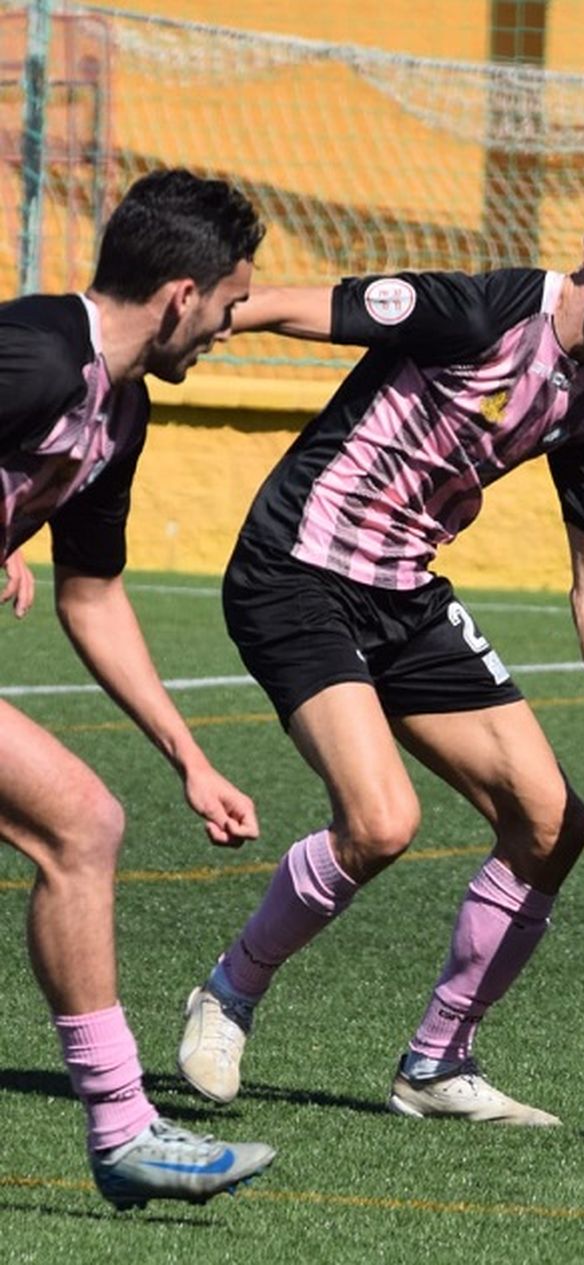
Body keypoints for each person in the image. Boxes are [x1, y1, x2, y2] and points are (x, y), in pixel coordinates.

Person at [176, 183, 584, 1126]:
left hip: (403, 593)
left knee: (552, 823)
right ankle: (228, 992)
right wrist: (180, 326)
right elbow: (323, 306)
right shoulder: (486, 311)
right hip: (295, 571)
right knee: (382, 822)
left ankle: (436, 1062)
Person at [0, 169, 277, 1209]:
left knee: (82, 824)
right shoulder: (30, 354)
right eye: (230, 303)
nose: (229, 325)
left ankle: (124, 1130)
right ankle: (123, 1128)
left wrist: (189, 754)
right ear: (179, 297)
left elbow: (95, 596)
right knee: (80, 823)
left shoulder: (119, 410)